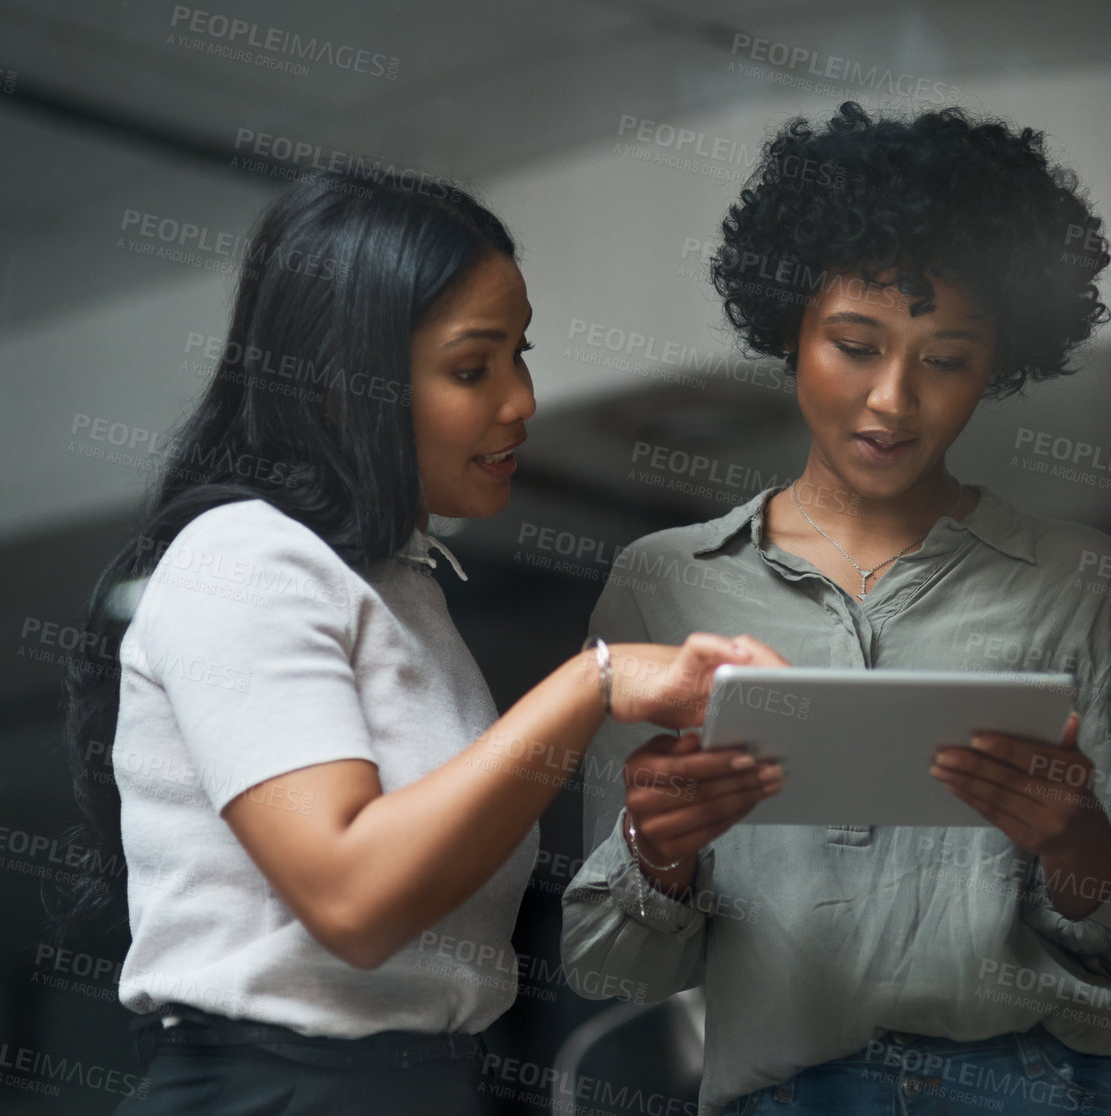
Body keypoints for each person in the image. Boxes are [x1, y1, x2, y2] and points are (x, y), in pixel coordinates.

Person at [51, 169, 786, 1115]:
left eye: (519, 355)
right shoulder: (244, 559)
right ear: (336, 385)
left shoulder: (403, 588)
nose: (521, 400)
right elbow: (354, 900)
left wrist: (654, 837)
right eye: (472, 368)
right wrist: (591, 686)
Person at [561, 102, 1111, 1116]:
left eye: (944, 359)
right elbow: (608, 968)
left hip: (1040, 1087)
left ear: (1001, 363)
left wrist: (1074, 840)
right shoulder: (664, 583)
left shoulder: (1080, 580)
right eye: (854, 345)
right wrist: (659, 850)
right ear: (788, 329)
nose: (892, 400)